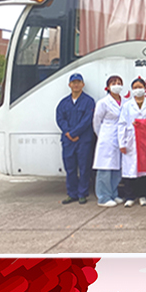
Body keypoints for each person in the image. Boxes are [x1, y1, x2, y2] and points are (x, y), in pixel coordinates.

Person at [56, 73, 95, 205]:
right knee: (70, 168)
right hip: (68, 141)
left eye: (78, 82)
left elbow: (87, 120)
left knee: (84, 168)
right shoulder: (64, 103)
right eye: (74, 82)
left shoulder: (89, 101)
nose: (76, 85)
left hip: (83, 140)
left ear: (83, 84)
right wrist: (68, 133)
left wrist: (74, 132)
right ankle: (72, 194)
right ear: (69, 85)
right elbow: (60, 119)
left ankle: (82, 194)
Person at [118, 77, 146, 207]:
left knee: (143, 170)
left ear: (145, 88)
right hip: (130, 140)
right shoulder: (127, 105)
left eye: (140, 87)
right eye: (135, 87)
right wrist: (122, 143)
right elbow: (121, 124)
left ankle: (143, 195)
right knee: (129, 170)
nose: (138, 90)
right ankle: (130, 196)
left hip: (145, 140)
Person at [92, 75, 126, 207]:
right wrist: (102, 136)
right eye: (113, 83)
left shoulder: (125, 101)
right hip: (107, 136)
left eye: (119, 83)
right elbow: (96, 121)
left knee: (117, 168)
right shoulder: (103, 102)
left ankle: (113, 193)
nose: (117, 85)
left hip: (120, 137)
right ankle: (103, 197)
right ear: (108, 87)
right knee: (105, 168)